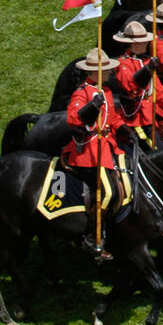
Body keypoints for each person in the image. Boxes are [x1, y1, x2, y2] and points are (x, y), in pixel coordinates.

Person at [60, 47, 125, 260]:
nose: (109, 72)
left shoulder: (105, 91)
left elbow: (112, 118)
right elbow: (74, 120)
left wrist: (124, 128)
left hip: (107, 145)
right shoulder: (82, 93)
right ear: (94, 72)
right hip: (89, 152)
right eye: (105, 69)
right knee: (107, 193)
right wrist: (90, 107)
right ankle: (91, 236)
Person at [112, 20, 163, 146]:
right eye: (143, 41)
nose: (146, 43)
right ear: (132, 44)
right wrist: (148, 69)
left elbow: (159, 91)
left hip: (154, 111)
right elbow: (132, 85)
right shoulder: (122, 64)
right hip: (137, 116)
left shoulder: (145, 61)